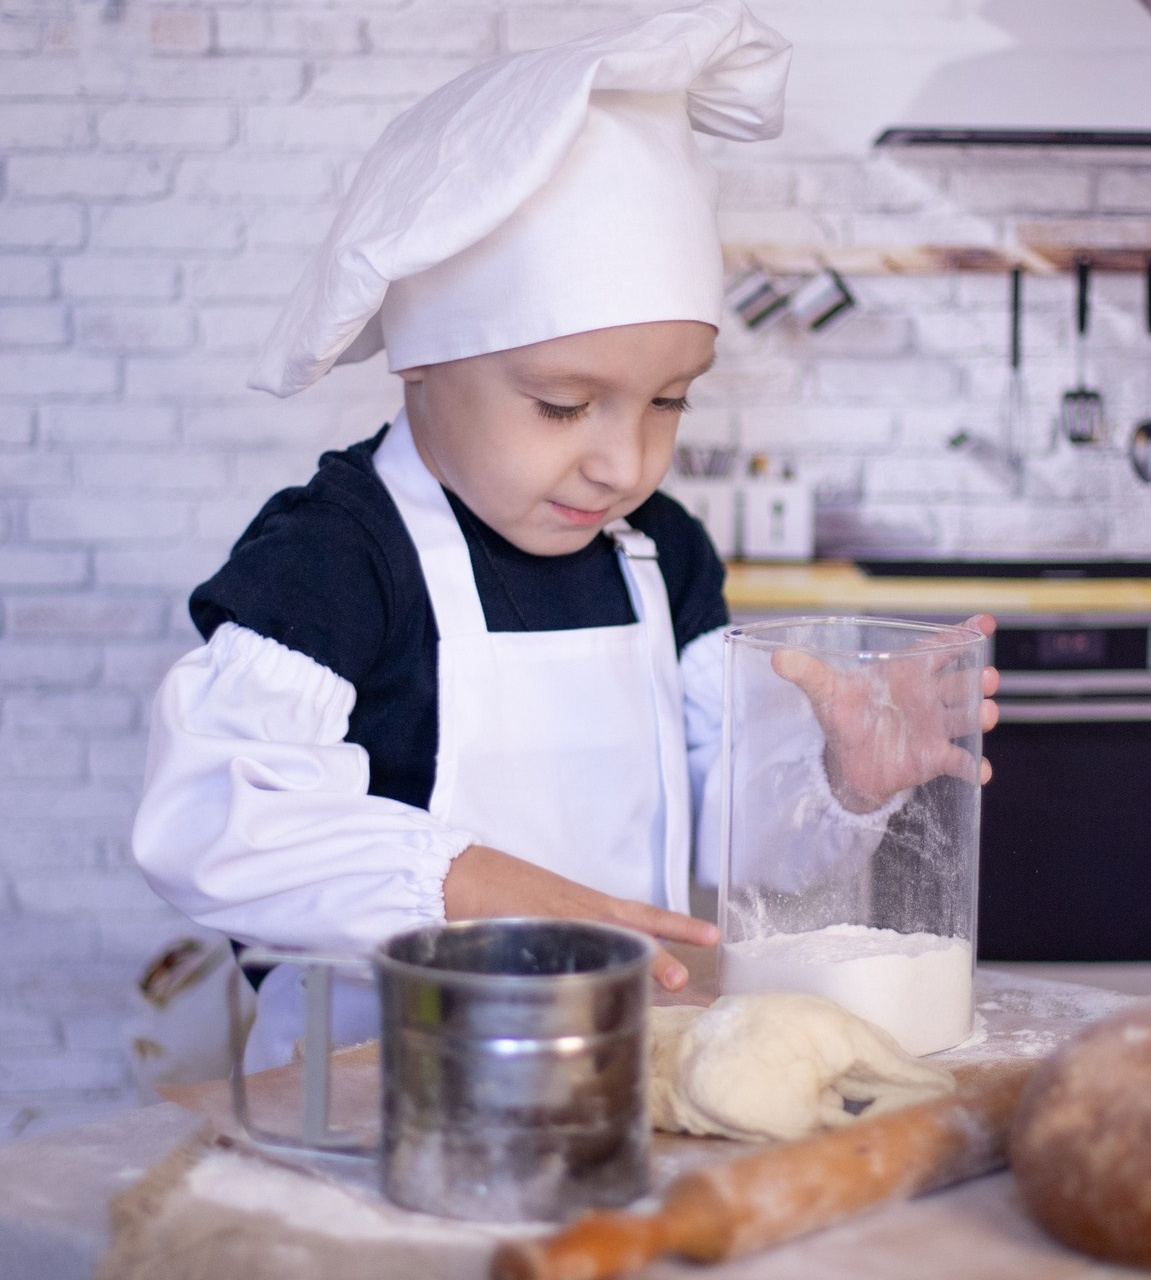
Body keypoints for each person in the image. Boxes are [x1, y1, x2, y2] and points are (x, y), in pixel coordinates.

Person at [132, 0, 998, 1070]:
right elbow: (211, 826)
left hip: (611, 1071)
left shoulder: (660, 555)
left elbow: (736, 845)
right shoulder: (335, 558)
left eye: (667, 401)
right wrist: (481, 894)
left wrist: (838, 777)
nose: (621, 463)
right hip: (372, 1101)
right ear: (423, 361)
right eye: (561, 405)